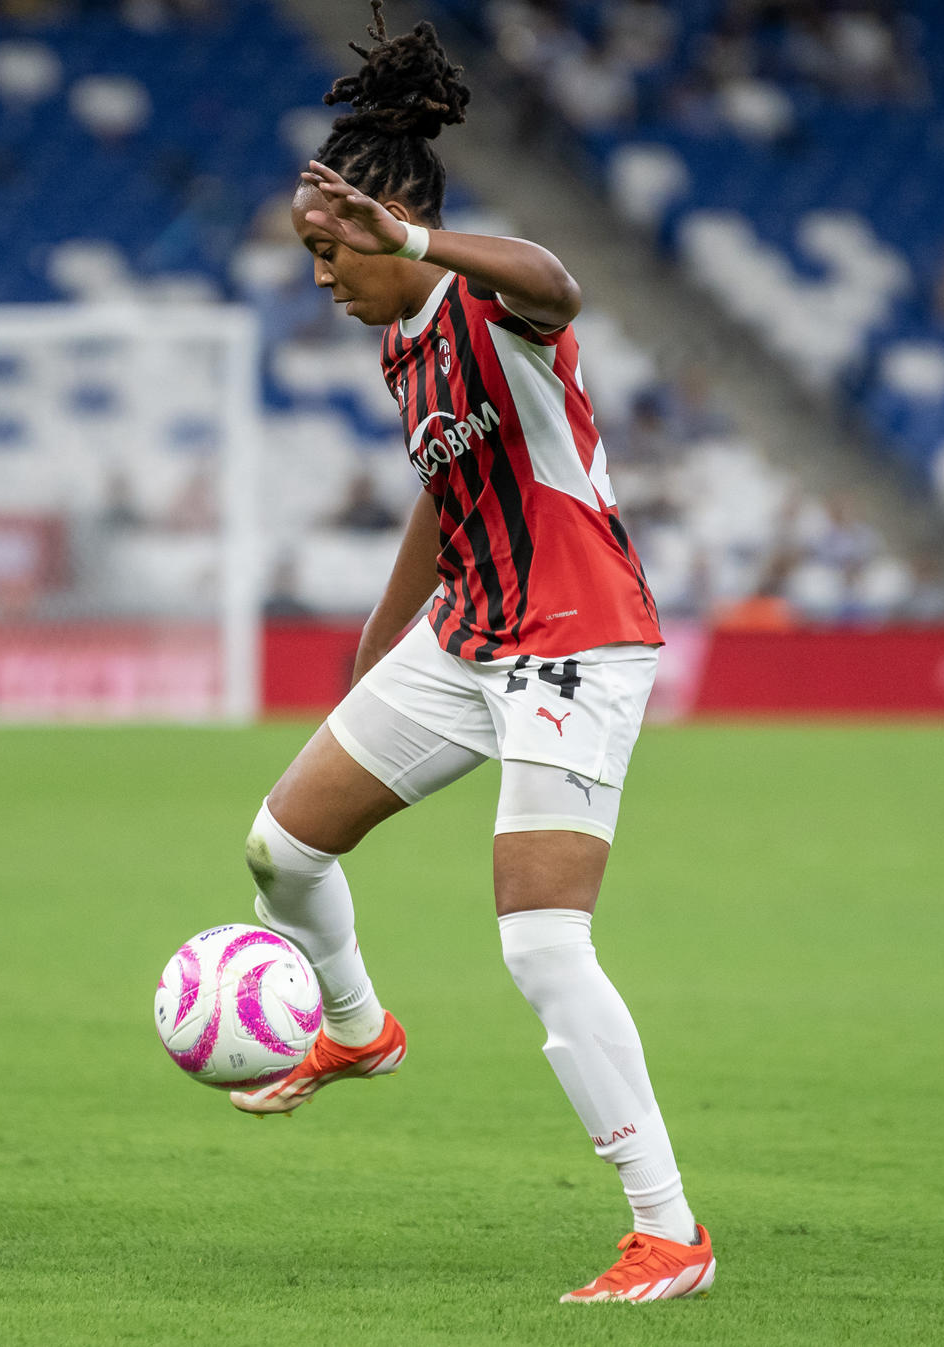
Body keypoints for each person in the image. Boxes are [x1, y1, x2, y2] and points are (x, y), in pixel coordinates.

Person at [228, 5, 712, 1305]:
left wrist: (424, 241)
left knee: (544, 944)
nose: (321, 274)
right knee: (282, 843)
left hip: (574, 639)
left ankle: (669, 1229)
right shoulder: (402, 344)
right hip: (465, 638)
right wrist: (378, 654)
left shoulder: (493, 304)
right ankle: (354, 1027)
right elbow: (446, 496)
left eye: (331, 249)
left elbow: (562, 282)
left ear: (391, 228)